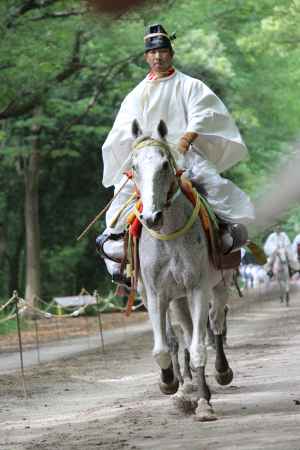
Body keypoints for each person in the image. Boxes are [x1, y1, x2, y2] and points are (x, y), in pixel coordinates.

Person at [96, 24, 255, 284]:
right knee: (120, 195)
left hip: (183, 155)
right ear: (146, 57)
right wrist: (137, 153)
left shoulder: (190, 86)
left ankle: (227, 234)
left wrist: (185, 139)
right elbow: (123, 129)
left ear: (171, 53)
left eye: (162, 50)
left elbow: (202, 113)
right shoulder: (136, 94)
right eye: (152, 52)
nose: (157, 56)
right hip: (148, 159)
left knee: (213, 184)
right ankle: (118, 251)